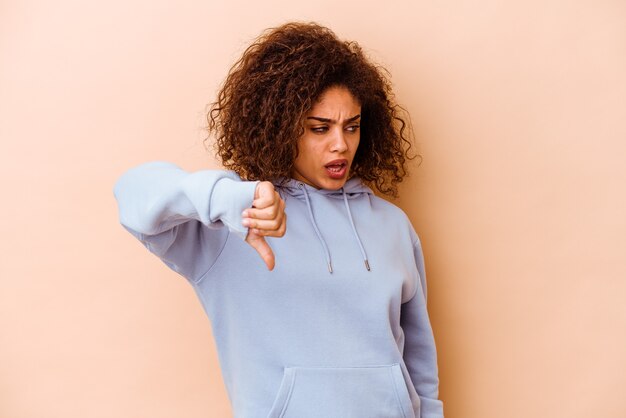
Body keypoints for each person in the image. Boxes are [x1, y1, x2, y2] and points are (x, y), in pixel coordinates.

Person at [113, 21, 444, 418]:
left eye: (351, 127)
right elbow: (132, 192)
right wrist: (229, 197)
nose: (341, 144)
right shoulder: (236, 223)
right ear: (282, 127)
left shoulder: (393, 226)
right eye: (319, 128)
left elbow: (420, 366)